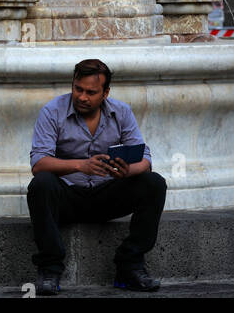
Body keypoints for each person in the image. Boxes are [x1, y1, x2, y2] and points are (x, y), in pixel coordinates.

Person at [27, 57, 166, 296]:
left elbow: (145, 158)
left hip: (107, 195)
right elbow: (39, 164)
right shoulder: (52, 111)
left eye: (91, 92)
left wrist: (128, 171)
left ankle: (130, 267)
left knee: (154, 183)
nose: (82, 97)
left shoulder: (121, 112)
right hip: (68, 198)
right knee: (41, 183)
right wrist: (81, 166)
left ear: (105, 93)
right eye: (77, 89)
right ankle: (49, 269)